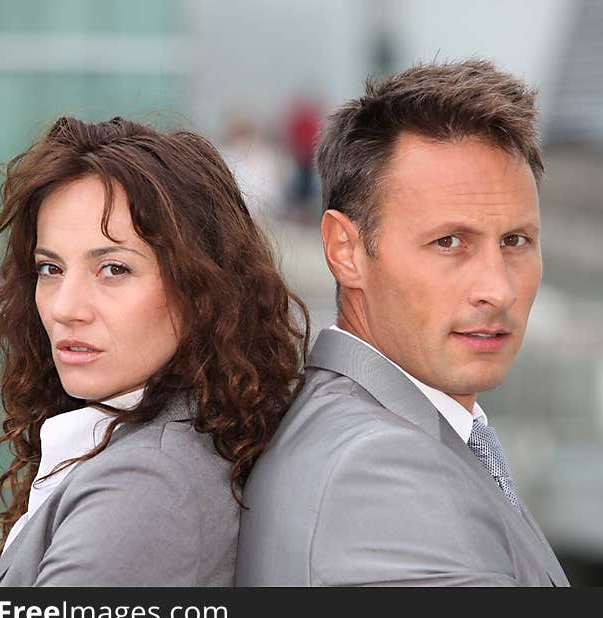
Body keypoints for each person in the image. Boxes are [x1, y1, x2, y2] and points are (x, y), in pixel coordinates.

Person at [236, 60, 570, 586]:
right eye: (449, 243)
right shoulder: (379, 470)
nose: (499, 289)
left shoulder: (373, 431)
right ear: (345, 250)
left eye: (516, 241)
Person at [0, 116, 309, 586]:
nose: (65, 307)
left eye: (113, 269)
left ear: (201, 289)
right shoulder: (148, 441)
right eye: (50, 268)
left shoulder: (149, 485)